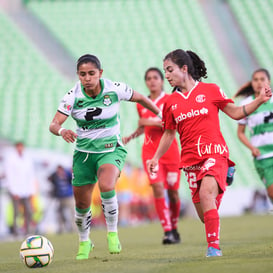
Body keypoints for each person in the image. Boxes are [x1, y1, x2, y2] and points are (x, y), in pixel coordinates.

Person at [147, 49, 272, 257]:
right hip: (190, 161)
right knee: (205, 215)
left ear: (184, 69)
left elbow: (235, 113)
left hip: (215, 153)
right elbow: (169, 133)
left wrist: (259, 100)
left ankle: (213, 247)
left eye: (169, 70)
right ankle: (225, 176)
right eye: (165, 71)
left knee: (206, 194)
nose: (166, 75)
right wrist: (155, 157)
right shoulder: (170, 102)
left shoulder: (211, 90)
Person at [49, 54, 161, 260]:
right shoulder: (71, 96)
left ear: (100, 73)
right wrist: (62, 131)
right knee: (81, 206)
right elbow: (54, 124)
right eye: (83, 74)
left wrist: (161, 114)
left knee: (107, 185)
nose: (87, 78)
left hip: (111, 149)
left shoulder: (114, 88)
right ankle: (84, 241)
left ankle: (112, 233)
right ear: (78, 76)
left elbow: (142, 98)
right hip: (84, 155)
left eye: (92, 73)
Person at [123, 67, 181, 244]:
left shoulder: (171, 100)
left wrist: (148, 121)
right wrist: (132, 135)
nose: (152, 81)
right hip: (149, 152)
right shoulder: (142, 103)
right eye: (148, 78)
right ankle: (167, 231)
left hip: (170, 151)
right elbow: (143, 126)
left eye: (155, 77)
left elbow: (171, 126)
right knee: (157, 188)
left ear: (162, 80)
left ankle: (174, 225)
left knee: (173, 193)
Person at [235, 68, 273, 204]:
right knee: (271, 192)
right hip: (262, 156)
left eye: (262, 79)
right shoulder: (246, 104)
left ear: (268, 81)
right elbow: (240, 133)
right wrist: (252, 148)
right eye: (255, 80)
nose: (259, 83)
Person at [4, 141, 36, 236]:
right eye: (18, 147)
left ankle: (27, 231)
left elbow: (31, 175)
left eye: (21, 147)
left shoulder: (27, 158)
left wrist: (31, 190)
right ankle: (15, 232)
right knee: (16, 212)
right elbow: (9, 175)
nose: (20, 148)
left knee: (29, 211)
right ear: (16, 147)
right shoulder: (11, 158)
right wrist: (13, 190)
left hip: (26, 190)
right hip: (15, 190)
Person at [48, 165, 75, 233]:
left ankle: (74, 228)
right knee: (59, 213)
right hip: (60, 198)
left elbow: (73, 177)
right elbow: (49, 178)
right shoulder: (55, 176)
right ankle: (61, 228)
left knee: (73, 213)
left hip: (69, 197)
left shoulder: (67, 174)